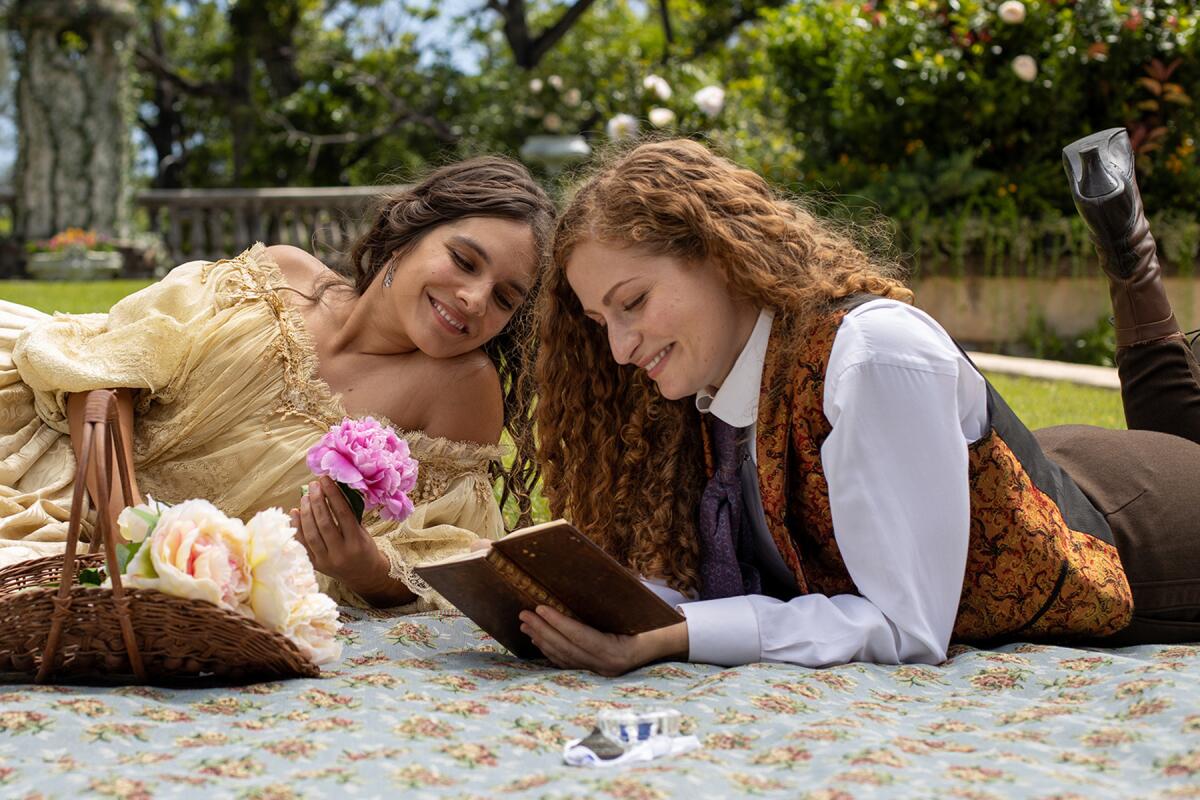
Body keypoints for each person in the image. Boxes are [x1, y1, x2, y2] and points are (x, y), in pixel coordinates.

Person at [523, 132, 1200, 676]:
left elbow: (908, 629)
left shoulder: (871, 354)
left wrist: (674, 632)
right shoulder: (706, 391)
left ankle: (1130, 257)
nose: (617, 349)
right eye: (598, 321)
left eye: (632, 303)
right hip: (1061, 466)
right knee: (1174, 414)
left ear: (717, 254)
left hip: (1154, 546)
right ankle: (1129, 253)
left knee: (1178, 416)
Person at [0, 156, 554, 610]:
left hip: (187, 584)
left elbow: (447, 566)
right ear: (409, 232)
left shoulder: (462, 390)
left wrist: (367, 568)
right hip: (45, 452)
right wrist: (129, 533)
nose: (474, 299)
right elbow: (100, 374)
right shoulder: (278, 277)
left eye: (505, 297)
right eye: (463, 260)